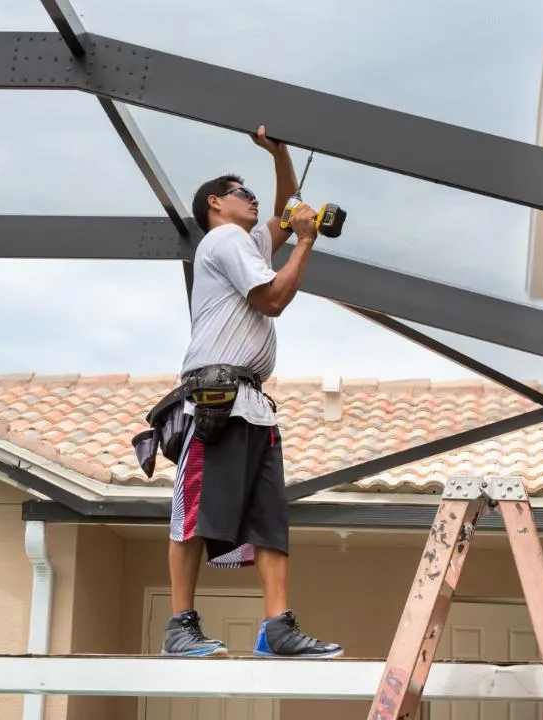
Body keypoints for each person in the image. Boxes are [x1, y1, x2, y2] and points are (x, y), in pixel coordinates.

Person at [160, 125, 343, 659]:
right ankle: (179, 626)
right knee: (194, 512)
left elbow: (285, 209)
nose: (254, 198)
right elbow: (271, 300)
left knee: (268, 518)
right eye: (242, 192)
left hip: (251, 404)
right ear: (216, 205)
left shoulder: (247, 242)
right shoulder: (223, 240)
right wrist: (307, 240)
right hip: (214, 400)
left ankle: (278, 627)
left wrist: (280, 153)